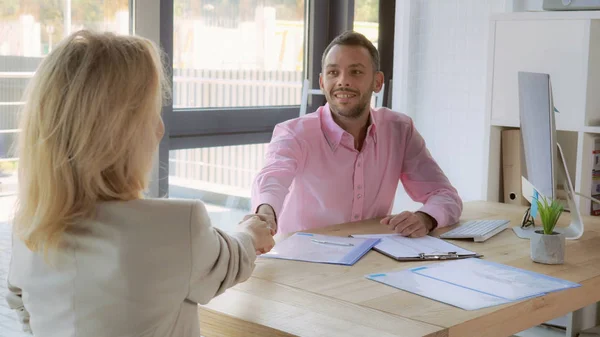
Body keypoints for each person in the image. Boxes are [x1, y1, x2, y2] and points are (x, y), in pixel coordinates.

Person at [6, 30, 274, 337]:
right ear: (118, 133)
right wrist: (251, 233)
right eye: (150, 113)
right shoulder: (176, 225)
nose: (159, 128)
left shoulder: (30, 226)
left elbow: (20, 302)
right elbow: (231, 261)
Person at [251, 31, 462, 238]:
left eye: (356, 72)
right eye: (333, 72)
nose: (343, 81)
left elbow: (445, 196)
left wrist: (425, 218)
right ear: (322, 82)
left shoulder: (400, 130)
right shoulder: (293, 134)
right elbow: (272, 179)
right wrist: (266, 213)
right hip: (305, 264)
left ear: (377, 82)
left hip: (371, 259)